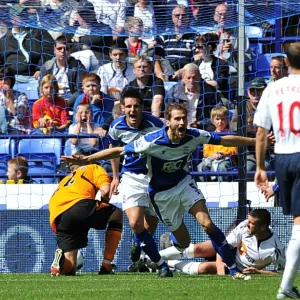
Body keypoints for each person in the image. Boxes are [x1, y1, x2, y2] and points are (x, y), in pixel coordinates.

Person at [63, 103, 273, 280]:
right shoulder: (152, 141)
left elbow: (226, 139)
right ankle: (158, 254)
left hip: (184, 184)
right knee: (184, 243)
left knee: (207, 223)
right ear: (168, 121)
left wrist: (257, 142)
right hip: (161, 195)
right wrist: (87, 159)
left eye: (184, 119)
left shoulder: (194, 135)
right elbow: (118, 150)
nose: (182, 123)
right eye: (177, 119)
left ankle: (233, 269)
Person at [63, 88, 172, 277]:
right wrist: (115, 177)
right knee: (135, 223)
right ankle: (162, 266)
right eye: (128, 106)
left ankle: (139, 243)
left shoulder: (156, 125)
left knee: (149, 226)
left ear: (142, 107)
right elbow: (113, 150)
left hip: (154, 178)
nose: (132, 110)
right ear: (122, 108)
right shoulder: (116, 126)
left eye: (136, 106)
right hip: (131, 176)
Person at [254, 42, 300, 299]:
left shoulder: (272, 88)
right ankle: (285, 287)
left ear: (286, 63)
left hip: (281, 159)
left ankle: (287, 287)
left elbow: (261, 131)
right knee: (299, 225)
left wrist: (260, 166)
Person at [151, 209, 285, 276]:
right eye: (248, 220)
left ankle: (166, 264)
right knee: (200, 248)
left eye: (251, 223)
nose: (247, 224)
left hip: (238, 269)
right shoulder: (244, 227)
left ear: (263, 227)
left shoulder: (275, 249)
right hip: (227, 253)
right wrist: (221, 265)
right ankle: (151, 257)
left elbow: (282, 272)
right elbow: (223, 246)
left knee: (204, 268)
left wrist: (258, 272)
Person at [49, 163, 123, 276]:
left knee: (70, 270)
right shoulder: (95, 167)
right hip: (79, 204)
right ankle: (106, 265)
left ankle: (61, 263)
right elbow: (106, 191)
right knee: (117, 215)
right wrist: (102, 204)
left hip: (57, 214)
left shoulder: (66, 179)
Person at [39, 36, 87, 108]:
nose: (62, 51)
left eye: (66, 49)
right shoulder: (46, 67)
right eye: (59, 48)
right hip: (51, 104)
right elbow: (40, 89)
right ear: (54, 50)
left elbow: (80, 91)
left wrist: (64, 105)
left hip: (72, 105)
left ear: (71, 50)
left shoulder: (78, 67)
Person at [197, 106, 237, 182]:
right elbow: (206, 152)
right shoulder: (209, 135)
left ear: (227, 119)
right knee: (201, 166)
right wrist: (212, 154)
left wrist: (222, 153)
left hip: (227, 159)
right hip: (212, 158)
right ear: (212, 121)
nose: (220, 122)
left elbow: (234, 149)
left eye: (223, 119)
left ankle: (222, 187)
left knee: (222, 167)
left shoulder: (231, 134)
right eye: (217, 119)